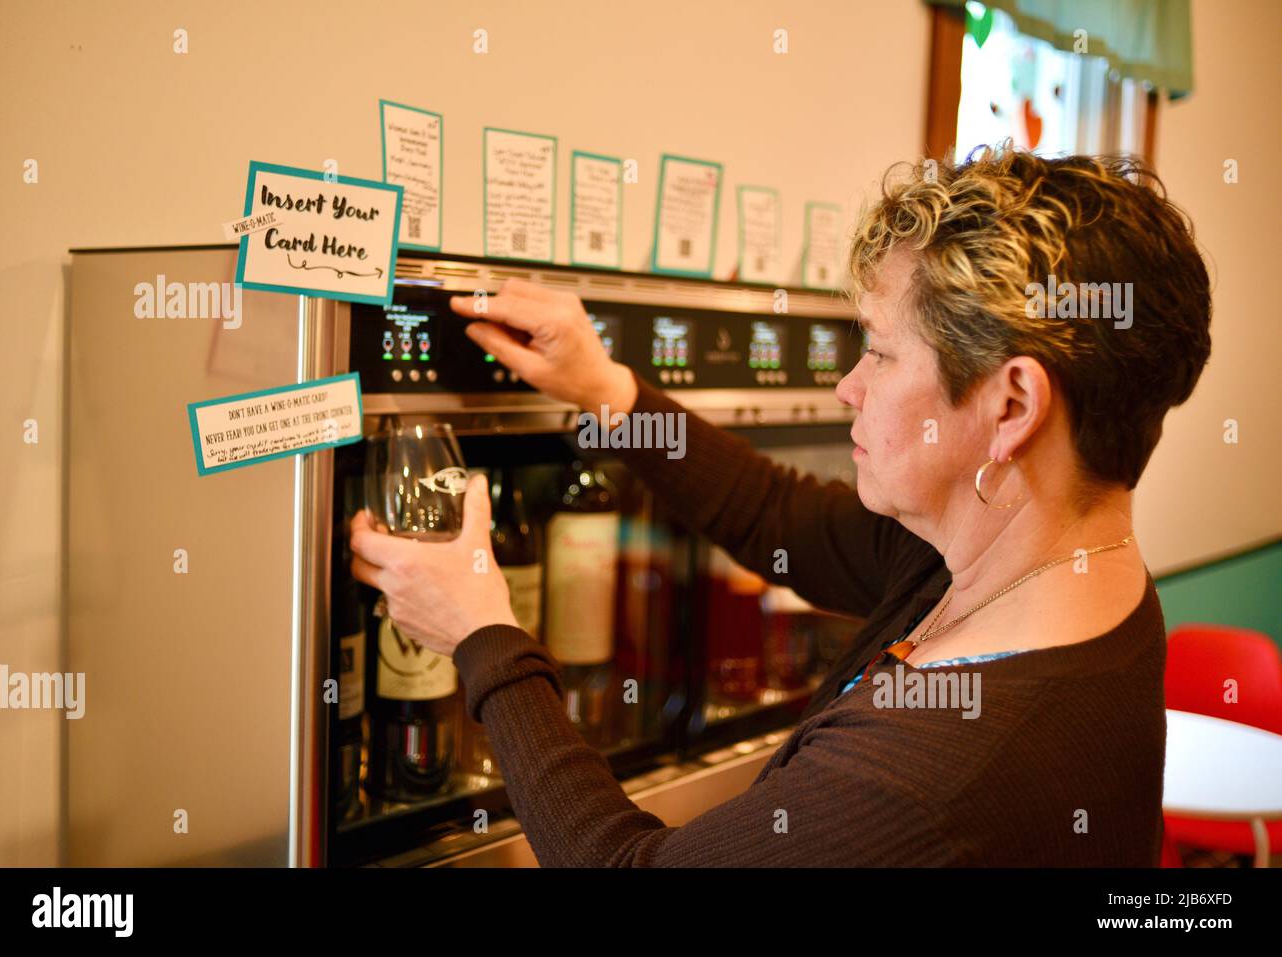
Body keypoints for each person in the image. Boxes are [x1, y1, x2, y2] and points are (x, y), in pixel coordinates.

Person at [349, 146, 1212, 866]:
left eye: (877, 352)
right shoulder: (1052, 569)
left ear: (1012, 407)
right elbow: (776, 516)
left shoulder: (928, 775)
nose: (848, 386)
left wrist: (481, 637)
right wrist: (606, 389)